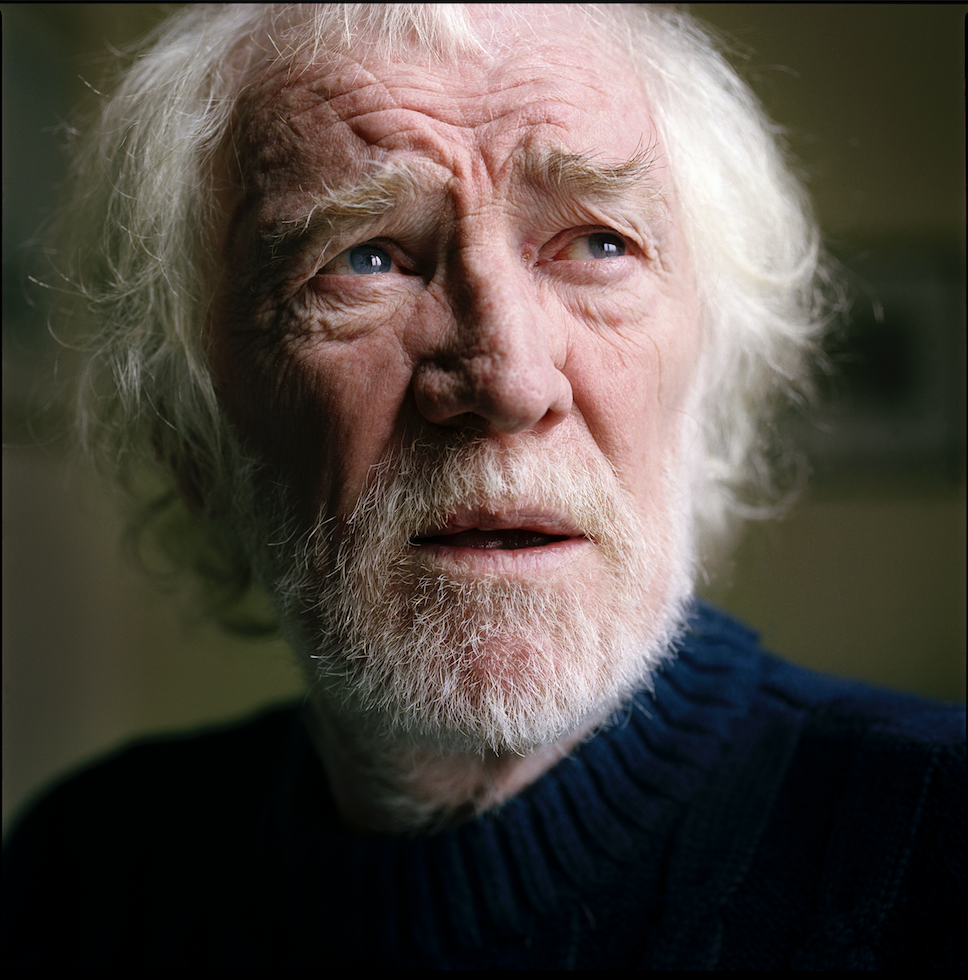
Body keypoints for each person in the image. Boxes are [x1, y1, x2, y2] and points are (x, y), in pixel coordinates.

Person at [3, 4, 963, 974]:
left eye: (598, 244)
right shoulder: (83, 877)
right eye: (364, 257)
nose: (508, 381)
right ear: (189, 426)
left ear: (707, 383)